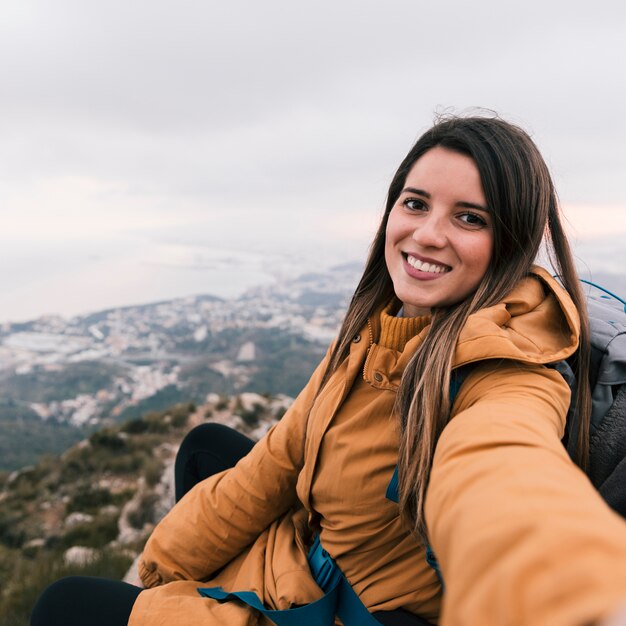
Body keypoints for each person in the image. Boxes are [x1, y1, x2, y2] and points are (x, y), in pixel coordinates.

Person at [31, 115, 626, 626]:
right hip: (311, 551)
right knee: (208, 445)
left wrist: (578, 597)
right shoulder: (380, 324)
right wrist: (160, 578)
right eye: (415, 203)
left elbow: (502, 476)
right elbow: (279, 459)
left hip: (341, 607)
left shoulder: (511, 371)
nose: (426, 233)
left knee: (64, 605)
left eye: (470, 218)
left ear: (515, 241)